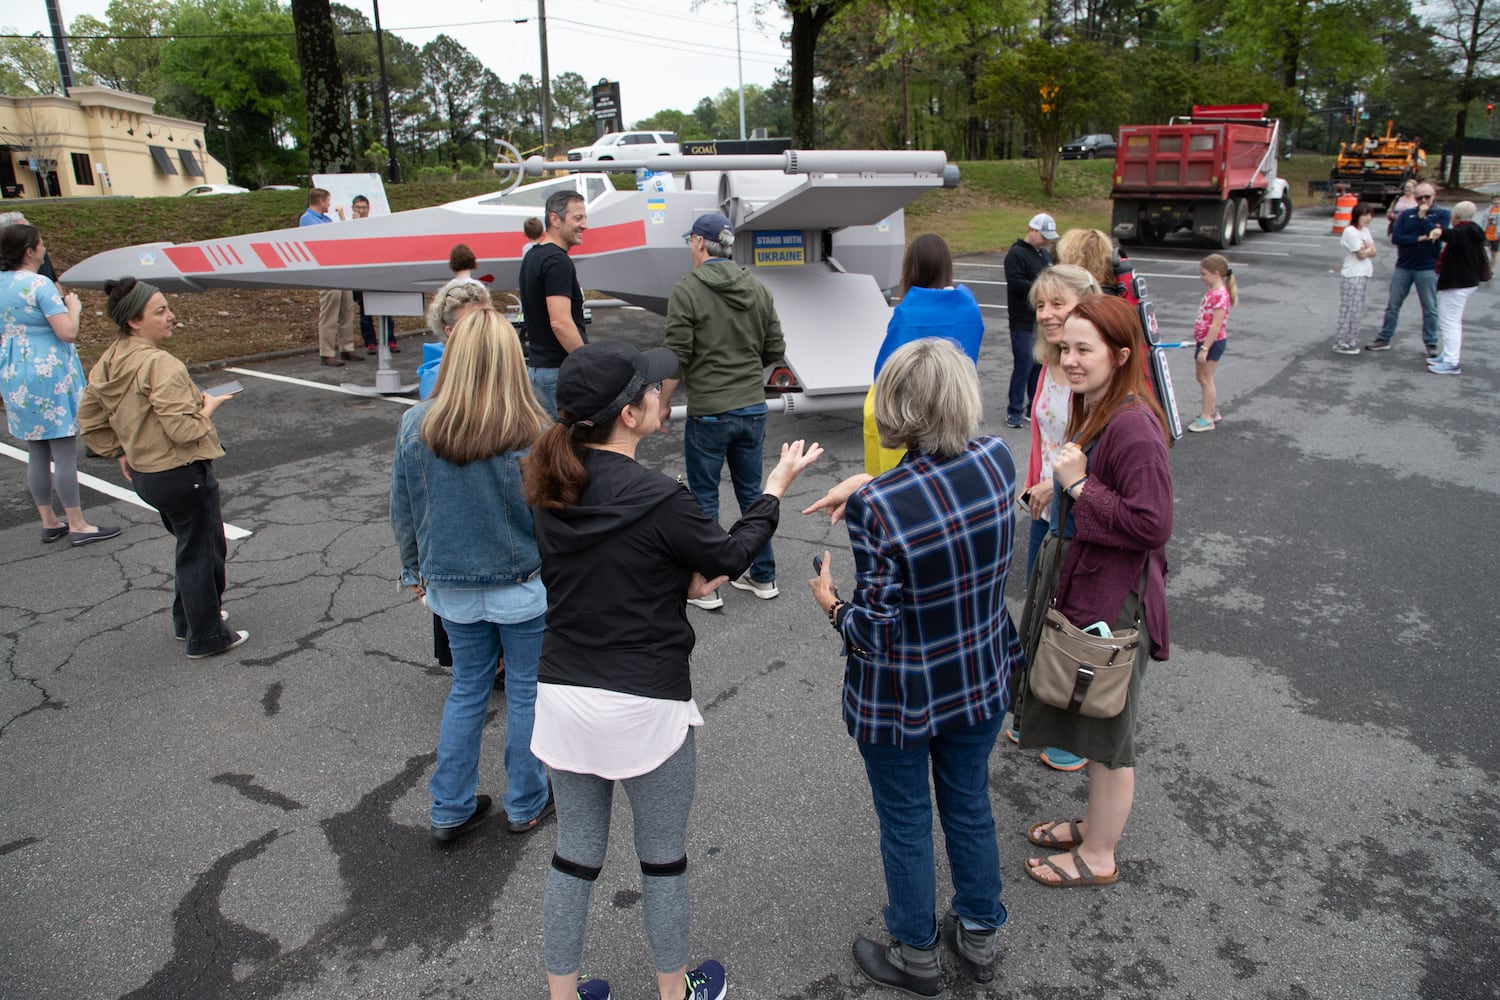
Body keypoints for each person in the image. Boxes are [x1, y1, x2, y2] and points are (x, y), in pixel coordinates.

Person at [524, 340, 821, 1000]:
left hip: (563, 695)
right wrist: (773, 488)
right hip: (644, 701)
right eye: (655, 390)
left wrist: (673, 577)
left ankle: (562, 996)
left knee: (574, 854)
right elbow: (729, 558)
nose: (665, 395)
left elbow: (608, 570)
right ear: (630, 413)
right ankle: (674, 991)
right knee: (661, 858)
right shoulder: (662, 499)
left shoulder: (547, 486)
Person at [803, 338, 1022, 996]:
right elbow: (942, 495)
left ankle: (916, 951)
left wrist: (831, 604)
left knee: (905, 817)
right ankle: (980, 933)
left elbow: (877, 632)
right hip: (981, 675)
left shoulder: (880, 509)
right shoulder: (997, 459)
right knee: (968, 803)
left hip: (905, 697)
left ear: (896, 407)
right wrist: (871, 484)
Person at [1017, 294, 1173, 890]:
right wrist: (1054, 487)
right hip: (1091, 585)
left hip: (1116, 599)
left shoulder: (1134, 424)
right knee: (1095, 723)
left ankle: (1100, 853)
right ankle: (1093, 826)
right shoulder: (1104, 406)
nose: (1071, 359)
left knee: (1110, 731)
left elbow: (1152, 523)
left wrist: (1079, 486)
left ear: (1122, 353)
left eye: (1086, 349)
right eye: (1066, 348)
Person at [389, 307, 551, 842]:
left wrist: (414, 570)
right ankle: (526, 801)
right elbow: (554, 518)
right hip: (524, 586)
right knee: (526, 691)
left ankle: (449, 807)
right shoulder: (534, 427)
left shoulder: (418, 423)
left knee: (467, 689)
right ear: (512, 360)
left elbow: (404, 508)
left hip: (452, 586)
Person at [77, 278, 248, 658]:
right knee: (204, 550)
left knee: (190, 546)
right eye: (160, 311)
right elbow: (184, 430)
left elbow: (89, 420)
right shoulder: (160, 364)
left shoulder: (110, 359)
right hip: (181, 471)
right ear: (134, 321)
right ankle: (207, 637)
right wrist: (210, 406)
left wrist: (120, 449)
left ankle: (188, 620)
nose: (171, 316)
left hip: (146, 475)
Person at [661, 212, 787, 610]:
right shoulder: (757, 288)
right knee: (753, 493)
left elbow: (676, 356)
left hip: (710, 410)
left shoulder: (687, 290)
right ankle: (762, 575)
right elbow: (775, 349)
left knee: (703, 497)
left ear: (700, 242)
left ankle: (708, 583)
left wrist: (662, 404)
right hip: (752, 407)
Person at [1011, 265, 1102, 776]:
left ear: (1086, 304)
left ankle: (1073, 733)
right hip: (1046, 506)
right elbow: (1043, 438)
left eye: (1057, 304)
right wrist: (1034, 487)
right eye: (1041, 305)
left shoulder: (1094, 369)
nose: (1046, 314)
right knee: (1039, 609)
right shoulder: (1050, 363)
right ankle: (1036, 712)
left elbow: (1098, 445)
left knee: (1072, 619)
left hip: (1081, 510)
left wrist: (1060, 485)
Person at [1, 223, 120, 547]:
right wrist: (74, 309)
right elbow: (66, 332)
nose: (44, 249)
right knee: (64, 453)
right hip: (49, 374)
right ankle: (78, 523)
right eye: (41, 244)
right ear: (30, 251)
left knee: (36, 451)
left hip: (14, 373)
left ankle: (49, 521)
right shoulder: (39, 285)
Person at [863, 234, 985, 476]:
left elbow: (886, 371)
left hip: (910, 411)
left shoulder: (908, 312)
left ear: (912, 267)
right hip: (952, 405)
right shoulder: (969, 309)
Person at [518, 189, 589, 418]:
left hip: (540, 371)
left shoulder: (533, 256)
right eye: (577, 218)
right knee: (568, 450)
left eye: (584, 218)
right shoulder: (557, 261)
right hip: (559, 374)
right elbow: (560, 323)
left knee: (548, 447)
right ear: (555, 219)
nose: (584, 225)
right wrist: (589, 364)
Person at [1369, 181, 1448, 357]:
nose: (1424, 200)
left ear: (1434, 195)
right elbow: (1397, 238)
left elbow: (1436, 235)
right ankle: (1384, 337)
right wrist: (1419, 239)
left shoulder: (1442, 214)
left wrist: (1423, 218)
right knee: (1393, 305)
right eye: (1420, 197)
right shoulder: (1406, 215)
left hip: (1427, 267)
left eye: (1428, 196)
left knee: (1429, 308)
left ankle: (1431, 342)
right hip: (1404, 266)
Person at [1002, 213, 1056, 427]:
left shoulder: (1043, 254)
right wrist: (1042, 289)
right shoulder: (1016, 254)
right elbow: (1015, 283)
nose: (1047, 241)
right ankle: (1014, 409)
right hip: (1022, 319)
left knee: (1039, 363)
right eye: (1044, 236)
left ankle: (1033, 406)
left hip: (1040, 320)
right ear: (1032, 231)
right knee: (1023, 363)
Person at [301, 187, 362, 367]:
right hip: (325, 271)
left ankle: (347, 347)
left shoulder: (326, 219)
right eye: (328, 201)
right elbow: (324, 239)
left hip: (339, 268)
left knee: (346, 309)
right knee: (330, 313)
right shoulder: (308, 219)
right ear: (321, 202)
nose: (329, 204)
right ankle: (326, 352)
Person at [1429, 200, 1489, 376]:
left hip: (1458, 282)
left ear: (1456, 216)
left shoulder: (1462, 232)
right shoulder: (1473, 230)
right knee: (1450, 320)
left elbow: (1448, 235)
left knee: (1450, 322)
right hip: (1466, 281)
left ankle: (1451, 361)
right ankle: (1447, 355)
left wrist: (1437, 230)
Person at [1186, 254, 1236, 433]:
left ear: (1216, 274)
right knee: (1201, 377)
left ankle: (1207, 418)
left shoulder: (1221, 295)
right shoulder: (1213, 292)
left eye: (1204, 274)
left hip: (1212, 343)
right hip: (1204, 342)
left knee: (1207, 379)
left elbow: (1216, 325)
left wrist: (1205, 348)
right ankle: (1211, 410)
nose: (1202, 277)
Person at [350, 195, 398, 354]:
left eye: (364, 207)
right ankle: (370, 342)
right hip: (360, 276)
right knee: (365, 312)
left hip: (378, 273)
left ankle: (390, 340)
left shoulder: (375, 226)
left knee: (386, 310)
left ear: (369, 209)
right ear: (353, 209)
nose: (361, 210)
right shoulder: (348, 227)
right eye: (358, 207)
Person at [1333, 204, 1378, 355]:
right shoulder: (1350, 231)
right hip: (1353, 275)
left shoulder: (1365, 231)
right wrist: (1367, 251)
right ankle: (1341, 341)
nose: (1368, 218)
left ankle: (1350, 340)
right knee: (1349, 309)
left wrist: (1368, 251)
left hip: (1364, 273)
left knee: (1359, 309)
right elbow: (1361, 254)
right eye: (1365, 215)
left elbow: (1373, 250)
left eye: (1370, 215)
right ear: (1357, 215)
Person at [1484, 195, 1500, 272]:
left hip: (1496, 235)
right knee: (1484, 250)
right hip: (1487, 234)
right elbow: (1484, 221)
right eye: (1495, 200)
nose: (1497, 201)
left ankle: (1492, 270)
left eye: (1498, 200)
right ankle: (1484, 268)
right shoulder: (1488, 210)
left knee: (1494, 254)